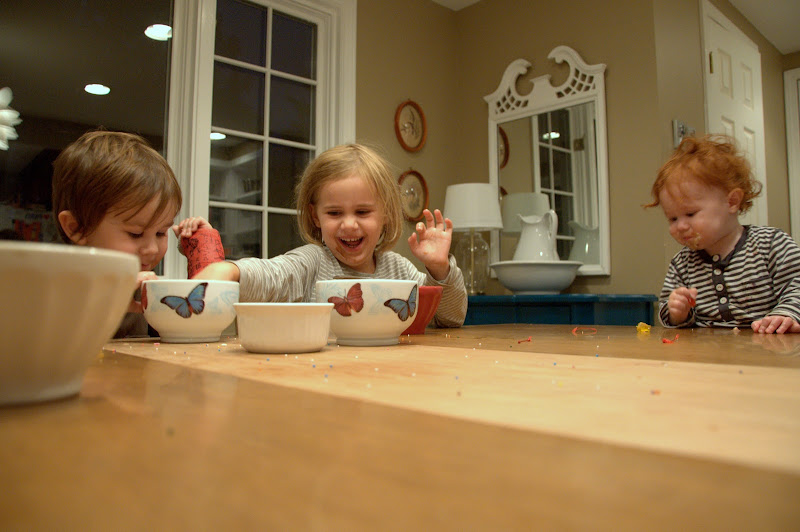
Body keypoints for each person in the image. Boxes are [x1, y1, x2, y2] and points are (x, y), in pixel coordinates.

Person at [191, 143, 468, 328]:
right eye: (334, 213)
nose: (349, 225)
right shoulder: (312, 263)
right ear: (316, 217)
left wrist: (439, 269)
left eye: (362, 212)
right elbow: (270, 275)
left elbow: (451, 318)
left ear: (385, 214)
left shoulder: (399, 270)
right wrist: (230, 270)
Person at [52, 130, 215, 337]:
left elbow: (193, 328)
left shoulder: (141, 287)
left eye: (161, 233)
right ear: (77, 227)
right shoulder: (51, 291)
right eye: (135, 234)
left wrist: (201, 257)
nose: (152, 249)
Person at [645, 134, 800, 334]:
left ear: (732, 202)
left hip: (769, 344)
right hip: (706, 350)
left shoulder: (771, 244)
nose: (680, 226)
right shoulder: (682, 264)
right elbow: (669, 314)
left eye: (690, 214)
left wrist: (786, 314)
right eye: (672, 218)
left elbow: (796, 285)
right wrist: (677, 312)